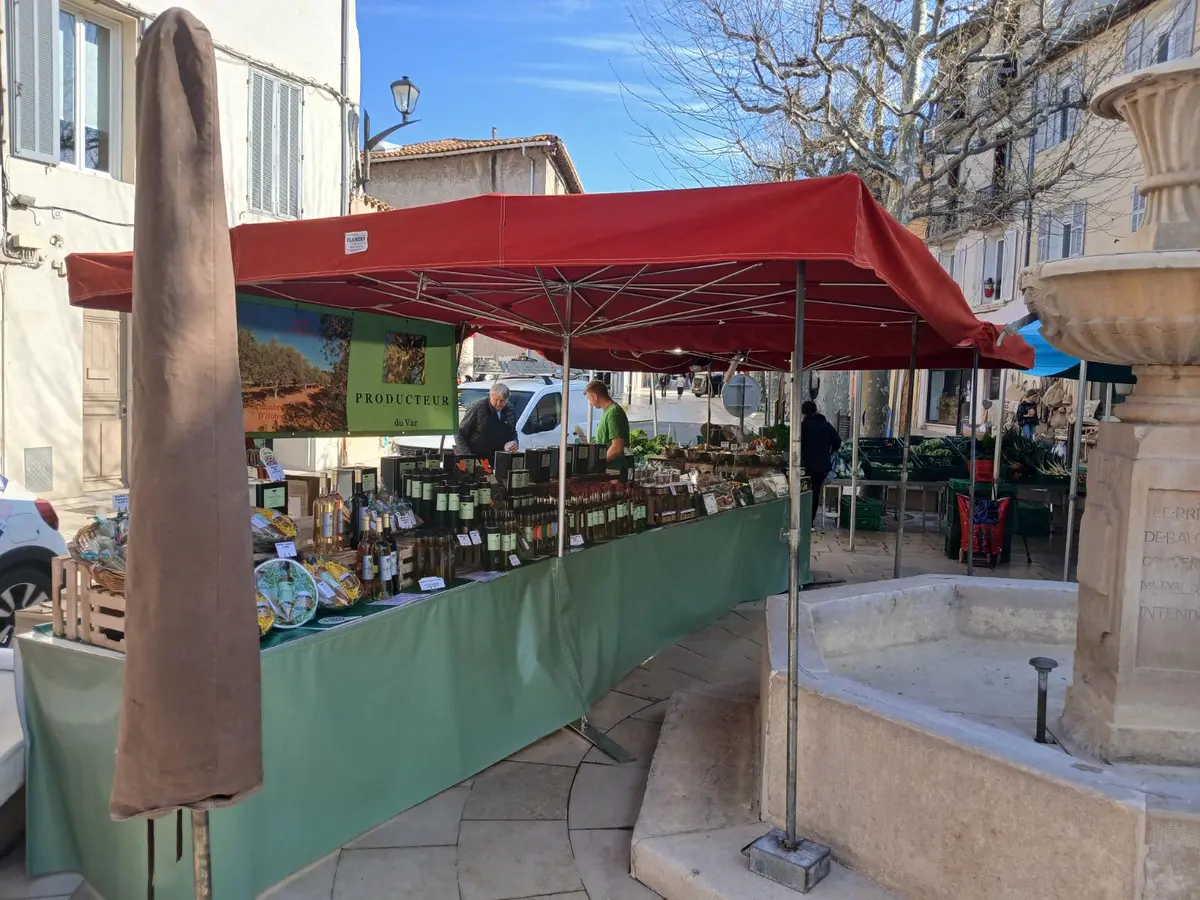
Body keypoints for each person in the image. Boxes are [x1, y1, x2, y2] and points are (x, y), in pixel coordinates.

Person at [799, 401, 842, 525]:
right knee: (815, 492)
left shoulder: (803, 426)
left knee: (803, 492)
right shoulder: (826, 425)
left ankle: (802, 519)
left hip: (805, 465)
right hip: (821, 466)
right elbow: (837, 442)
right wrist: (827, 452)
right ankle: (810, 521)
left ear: (803, 412)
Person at [456, 383, 518, 465]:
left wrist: (514, 442)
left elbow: (512, 431)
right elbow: (459, 433)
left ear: (507, 399)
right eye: (496, 399)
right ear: (490, 396)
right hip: (478, 458)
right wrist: (469, 457)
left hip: (500, 459)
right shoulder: (478, 408)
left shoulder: (510, 409)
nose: (499, 403)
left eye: (502, 401)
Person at [586, 379, 630, 473]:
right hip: (609, 470)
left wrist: (597, 463)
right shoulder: (609, 411)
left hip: (615, 471)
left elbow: (617, 448)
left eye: (589, 398)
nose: (589, 403)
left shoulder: (614, 412)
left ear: (595, 396)